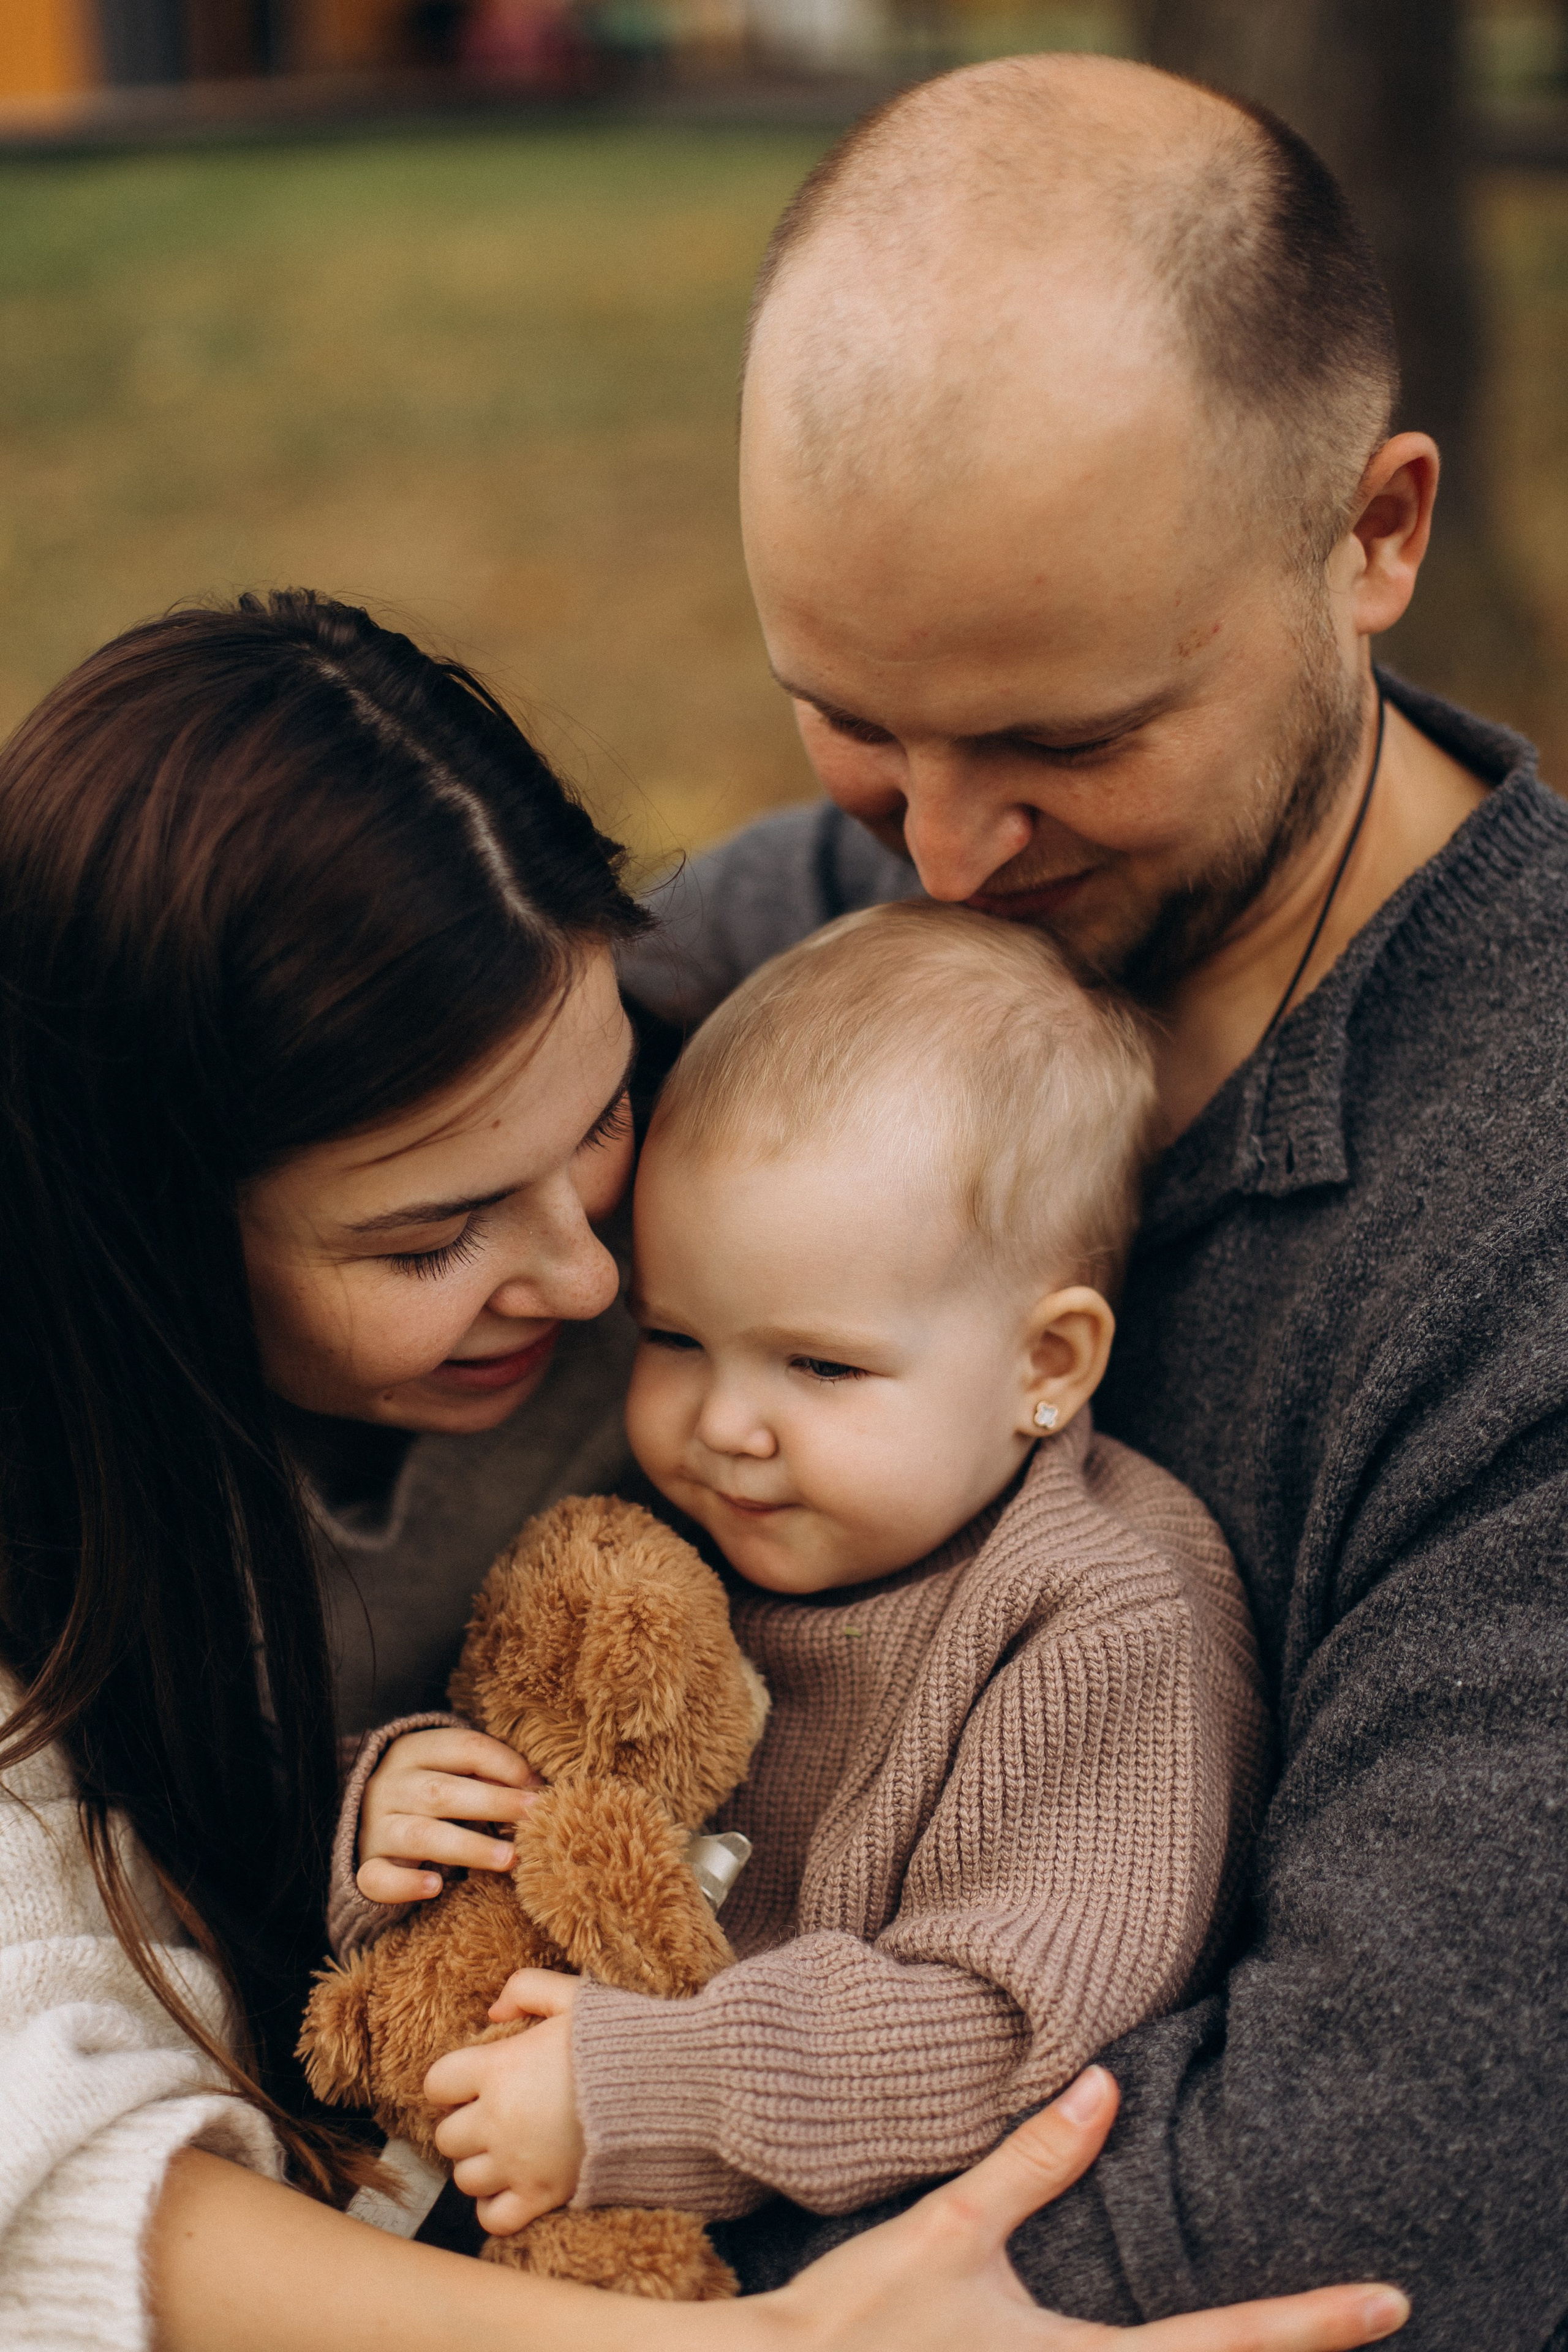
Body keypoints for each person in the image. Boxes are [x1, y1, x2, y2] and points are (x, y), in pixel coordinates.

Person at [0, 589, 1409, 2352]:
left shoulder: (778, 1277)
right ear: (146, 1246)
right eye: (432, 1236)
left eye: (599, 1121)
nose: (597, 1289)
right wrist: (370, 1819)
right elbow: (31, 2131)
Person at [616, 51, 1568, 2351]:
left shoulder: (1522, 1203)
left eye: (1064, 742)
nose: (933, 855)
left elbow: (1395, 2174)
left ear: (1376, 532)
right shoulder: (774, 945)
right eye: (848, 712)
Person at [336, 901, 1268, 2229]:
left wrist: (645, 2092)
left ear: (1043, 1365)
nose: (722, 1424)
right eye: (674, 1339)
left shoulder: (1097, 1615)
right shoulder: (673, 1525)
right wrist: (397, 1809)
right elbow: (533, 1808)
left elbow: (1005, 2019)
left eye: (820, 1365)